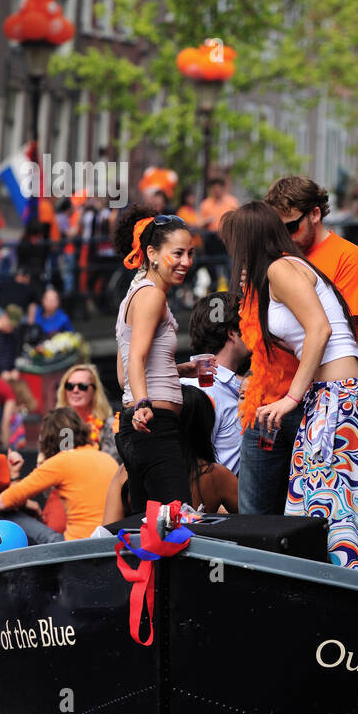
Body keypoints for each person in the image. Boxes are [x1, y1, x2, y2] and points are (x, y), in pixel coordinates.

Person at [222, 203, 358, 568]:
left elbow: (319, 329)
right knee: (313, 503)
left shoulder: (281, 268)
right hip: (331, 396)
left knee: (330, 507)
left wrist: (291, 398)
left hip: (336, 395)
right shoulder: (283, 269)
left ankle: (349, 587)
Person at [112, 207, 194, 510]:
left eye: (190, 253)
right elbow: (136, 359)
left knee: (151, 529)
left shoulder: (137, 292)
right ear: (152, 253)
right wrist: (144, 404)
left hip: (142, 426)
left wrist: (183, 369)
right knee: (177, 524)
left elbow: (125, 375)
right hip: (152, 425)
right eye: (178, 253)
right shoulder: (152, 295)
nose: (186, 262)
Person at [263, 176, 358, 371]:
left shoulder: (349, 257)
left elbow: (336, 331)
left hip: (332, 384)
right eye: (277, 230)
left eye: (291, 227)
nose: (284, 237)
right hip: (287, 384)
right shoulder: (278, 260)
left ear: (315, 214)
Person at [104, 387, 239, 523]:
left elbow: (107, 532)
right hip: (193, 544)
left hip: (135, 543)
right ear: (204, 426)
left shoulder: (126, 471)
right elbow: (253, 521)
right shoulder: (215, 474)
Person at [0, 407, 120, 543]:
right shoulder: (106, 458)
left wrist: (14, 476)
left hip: (76, 546)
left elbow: (0, 503)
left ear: (49, 438)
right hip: (109, 544)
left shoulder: (61, 461)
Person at [178, 292, 248, 474]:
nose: (256, 330)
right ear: (232, 333)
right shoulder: (201, 389)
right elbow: (188, 467)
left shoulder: (233, 386)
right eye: (249, 324)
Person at [54, 363, 118, 460]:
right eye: (70, 386)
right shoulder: (54, 425)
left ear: (95, 391)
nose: (75, 390)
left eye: (82, 386)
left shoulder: (110, 426)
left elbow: (110, 464)